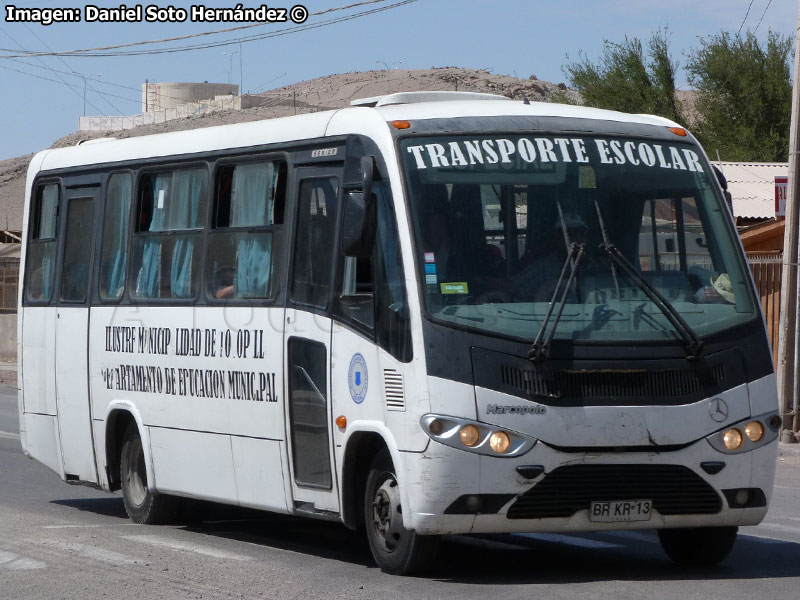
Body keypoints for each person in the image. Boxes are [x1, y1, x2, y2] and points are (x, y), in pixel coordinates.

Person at [514, 212, 591, 302]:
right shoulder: (543, 268)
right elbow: (512, 287)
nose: (577, 238)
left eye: (582, 233)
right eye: (570, 234)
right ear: (558, 238)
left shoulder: (599, 266)